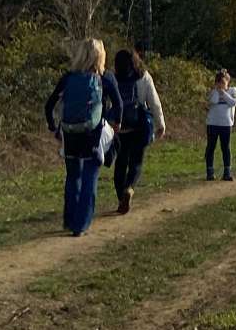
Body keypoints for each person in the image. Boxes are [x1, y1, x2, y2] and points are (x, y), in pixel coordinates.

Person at [45, 38, 121, 236]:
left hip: (70, 133)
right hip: (91, 135)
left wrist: (54, 127)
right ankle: (81, 224)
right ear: (101, 57)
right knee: (89, 177)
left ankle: (70, 220)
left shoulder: (68, 78)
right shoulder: (105, 78)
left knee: (73, 177)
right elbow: (118, 104)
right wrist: (116, 124)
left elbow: (49, 104)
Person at [109, 49, 166, 214]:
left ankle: (121, 198)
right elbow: (154, 102)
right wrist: (160, 124)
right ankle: (129, 188)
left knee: (120, 164)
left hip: (120, 128)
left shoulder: (113, 78)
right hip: (140, 126)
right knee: (136, 163)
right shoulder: (144, 77)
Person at [206, 69, 236, 181]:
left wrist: (223, 93)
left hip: (226, 124)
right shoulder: (213, 92)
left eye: (223, 82)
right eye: (218, 82)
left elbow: (233, 102)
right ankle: (210, 172)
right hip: (212, 123)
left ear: (227, 82)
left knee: (225, 148)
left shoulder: (233, 91)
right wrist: (217, 91)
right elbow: (214, 101)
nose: (221, 84)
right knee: (211, 147)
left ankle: (227, 172)